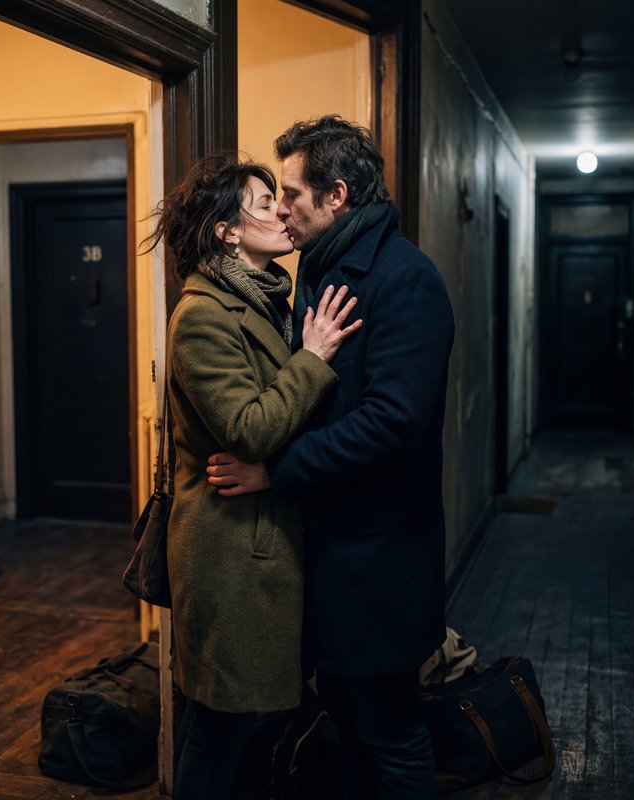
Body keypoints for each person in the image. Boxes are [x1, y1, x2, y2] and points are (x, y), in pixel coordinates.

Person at [206, 116, 455, 798]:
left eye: (291, 192)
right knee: (349, 726)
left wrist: (274, 471)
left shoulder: (404, 281)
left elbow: (390, 424)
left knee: (393, 735)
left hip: (378, 563)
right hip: (333, 558)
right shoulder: (318, 271)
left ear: (337, 195)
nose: (281, 206)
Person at [142, 155, 362, 800]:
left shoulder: (266, 301)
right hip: (229, 552)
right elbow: (248, 428)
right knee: (220, 726)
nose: (282, 212)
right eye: (264, 204)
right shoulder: (203, 316)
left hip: (264, 545)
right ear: (226, 232)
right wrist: (313, 358)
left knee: (253, 722)